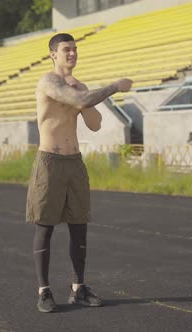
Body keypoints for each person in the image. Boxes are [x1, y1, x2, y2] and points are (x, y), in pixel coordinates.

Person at [26, 33, 133, 313]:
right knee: (45, 227)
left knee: (79, 227)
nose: (72, 53)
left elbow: (95, 124)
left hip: (74, 161)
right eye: (66, 50)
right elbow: (79, 99)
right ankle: (44, 291)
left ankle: (79, 288)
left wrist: (85, 98)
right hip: (49, 161)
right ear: (53, 54)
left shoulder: (79, 86)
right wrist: (114, 86)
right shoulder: (48, 82)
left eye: (74, 49)